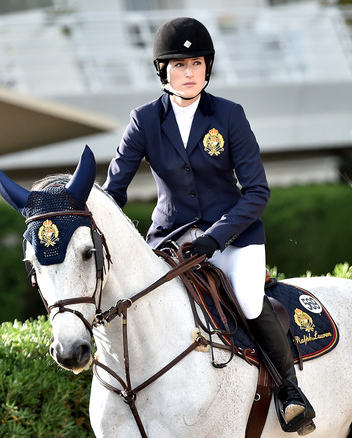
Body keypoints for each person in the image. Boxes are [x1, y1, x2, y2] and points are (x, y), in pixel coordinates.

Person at [102, 17, 315, 435]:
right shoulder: (144, 120)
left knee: (250, 302)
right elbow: (114, 191)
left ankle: (290, 393)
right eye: (179, 65)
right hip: (170, 238)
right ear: (162, 70)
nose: (188, 73)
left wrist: (215, 237)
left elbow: (257, 191)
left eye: (196, 63)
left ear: (207, 67)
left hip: (233, 235)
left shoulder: (230, 115)